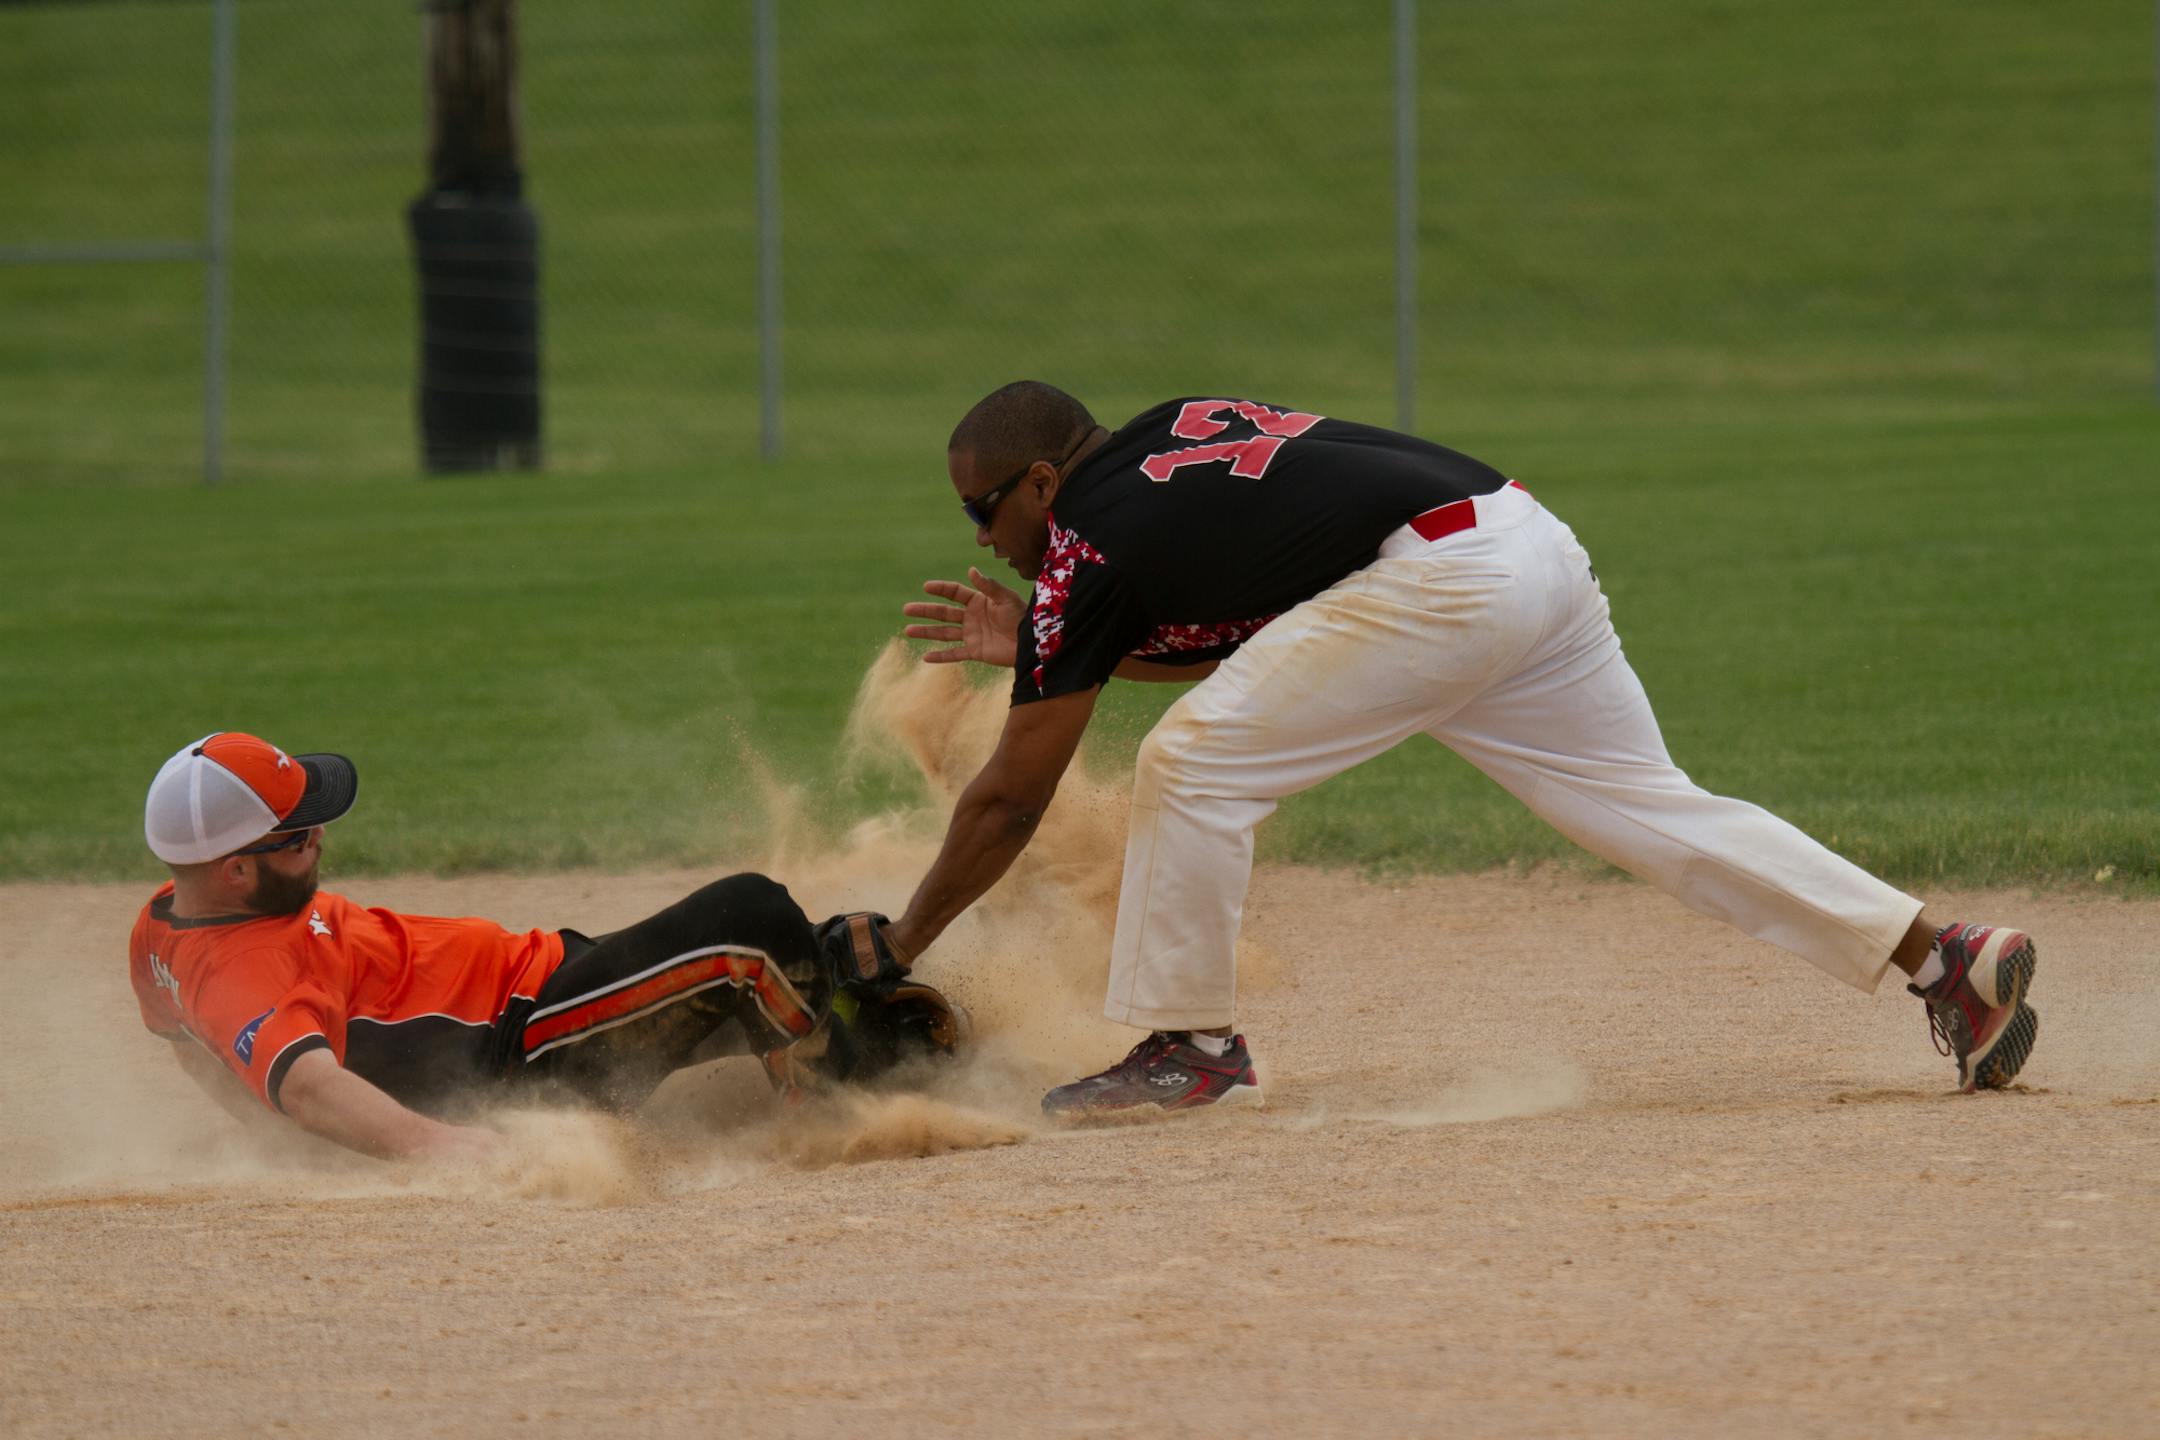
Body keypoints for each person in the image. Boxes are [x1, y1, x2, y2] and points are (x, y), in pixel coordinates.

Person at [875, 381, 2038, 1116]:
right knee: (1648, 807)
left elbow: (1008, 801)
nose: (983, 536)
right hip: (1518, 543)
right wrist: (1047, 637)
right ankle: (1949, 962)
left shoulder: (1084, 549)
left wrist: (900, 945)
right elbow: (1263, 639)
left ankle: (1194, 1045)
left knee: (1191, 766)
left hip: (1441, 587)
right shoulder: (1169, 435)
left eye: (984, 512)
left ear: (1039, 482)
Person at [130, 732, 959, 1162]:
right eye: (300, 833)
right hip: (528, 1050)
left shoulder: (161, 926)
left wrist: (261, 1136)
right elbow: (305, 1087)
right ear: (236, 869)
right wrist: (450, 1149)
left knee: (816, 952)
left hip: (552, 990)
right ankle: (840, 1108)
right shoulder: (246, 974)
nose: (319, 839)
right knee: (751, 915)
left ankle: (859, 1038)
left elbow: (191, 1045)